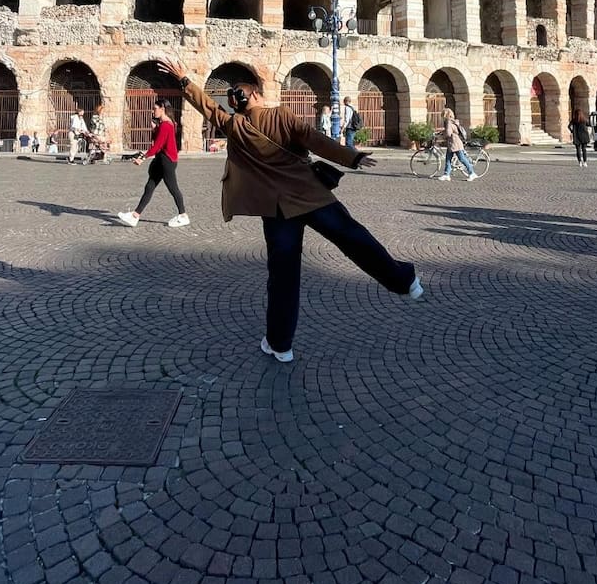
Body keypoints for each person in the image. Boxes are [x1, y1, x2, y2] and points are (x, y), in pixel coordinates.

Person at [156, 58, 422, 363]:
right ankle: (405, 281)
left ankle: (280, 344)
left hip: (277, 210)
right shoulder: (280, 115)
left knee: (283, 278)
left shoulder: (235, 126)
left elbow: (207, 107)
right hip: (312, 196)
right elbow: (314, 139)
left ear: (237, 104)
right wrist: (352, 157)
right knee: (354, 238)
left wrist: (184, 80)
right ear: (255, 95)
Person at [117, 99, 188, 227]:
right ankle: (135, 215)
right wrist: (155, 129)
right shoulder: (164, 124)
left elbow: (158, 145)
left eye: (155, 108)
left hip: (167, 161)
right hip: (161, 160)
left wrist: (143, 158)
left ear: (162, 109)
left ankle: (183, 215)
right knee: (149, 186)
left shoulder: (166, 125)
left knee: (173, 189)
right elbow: (159, 141)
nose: (153, 111)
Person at [438, 107, 475, 181]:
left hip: (455, 144)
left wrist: (441, 136)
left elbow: (448, 133)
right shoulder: (452, 121)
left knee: (462, 159)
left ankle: (472, 173)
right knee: (448, 159)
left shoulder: (448, 122)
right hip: (452, 143)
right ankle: (446, 174)